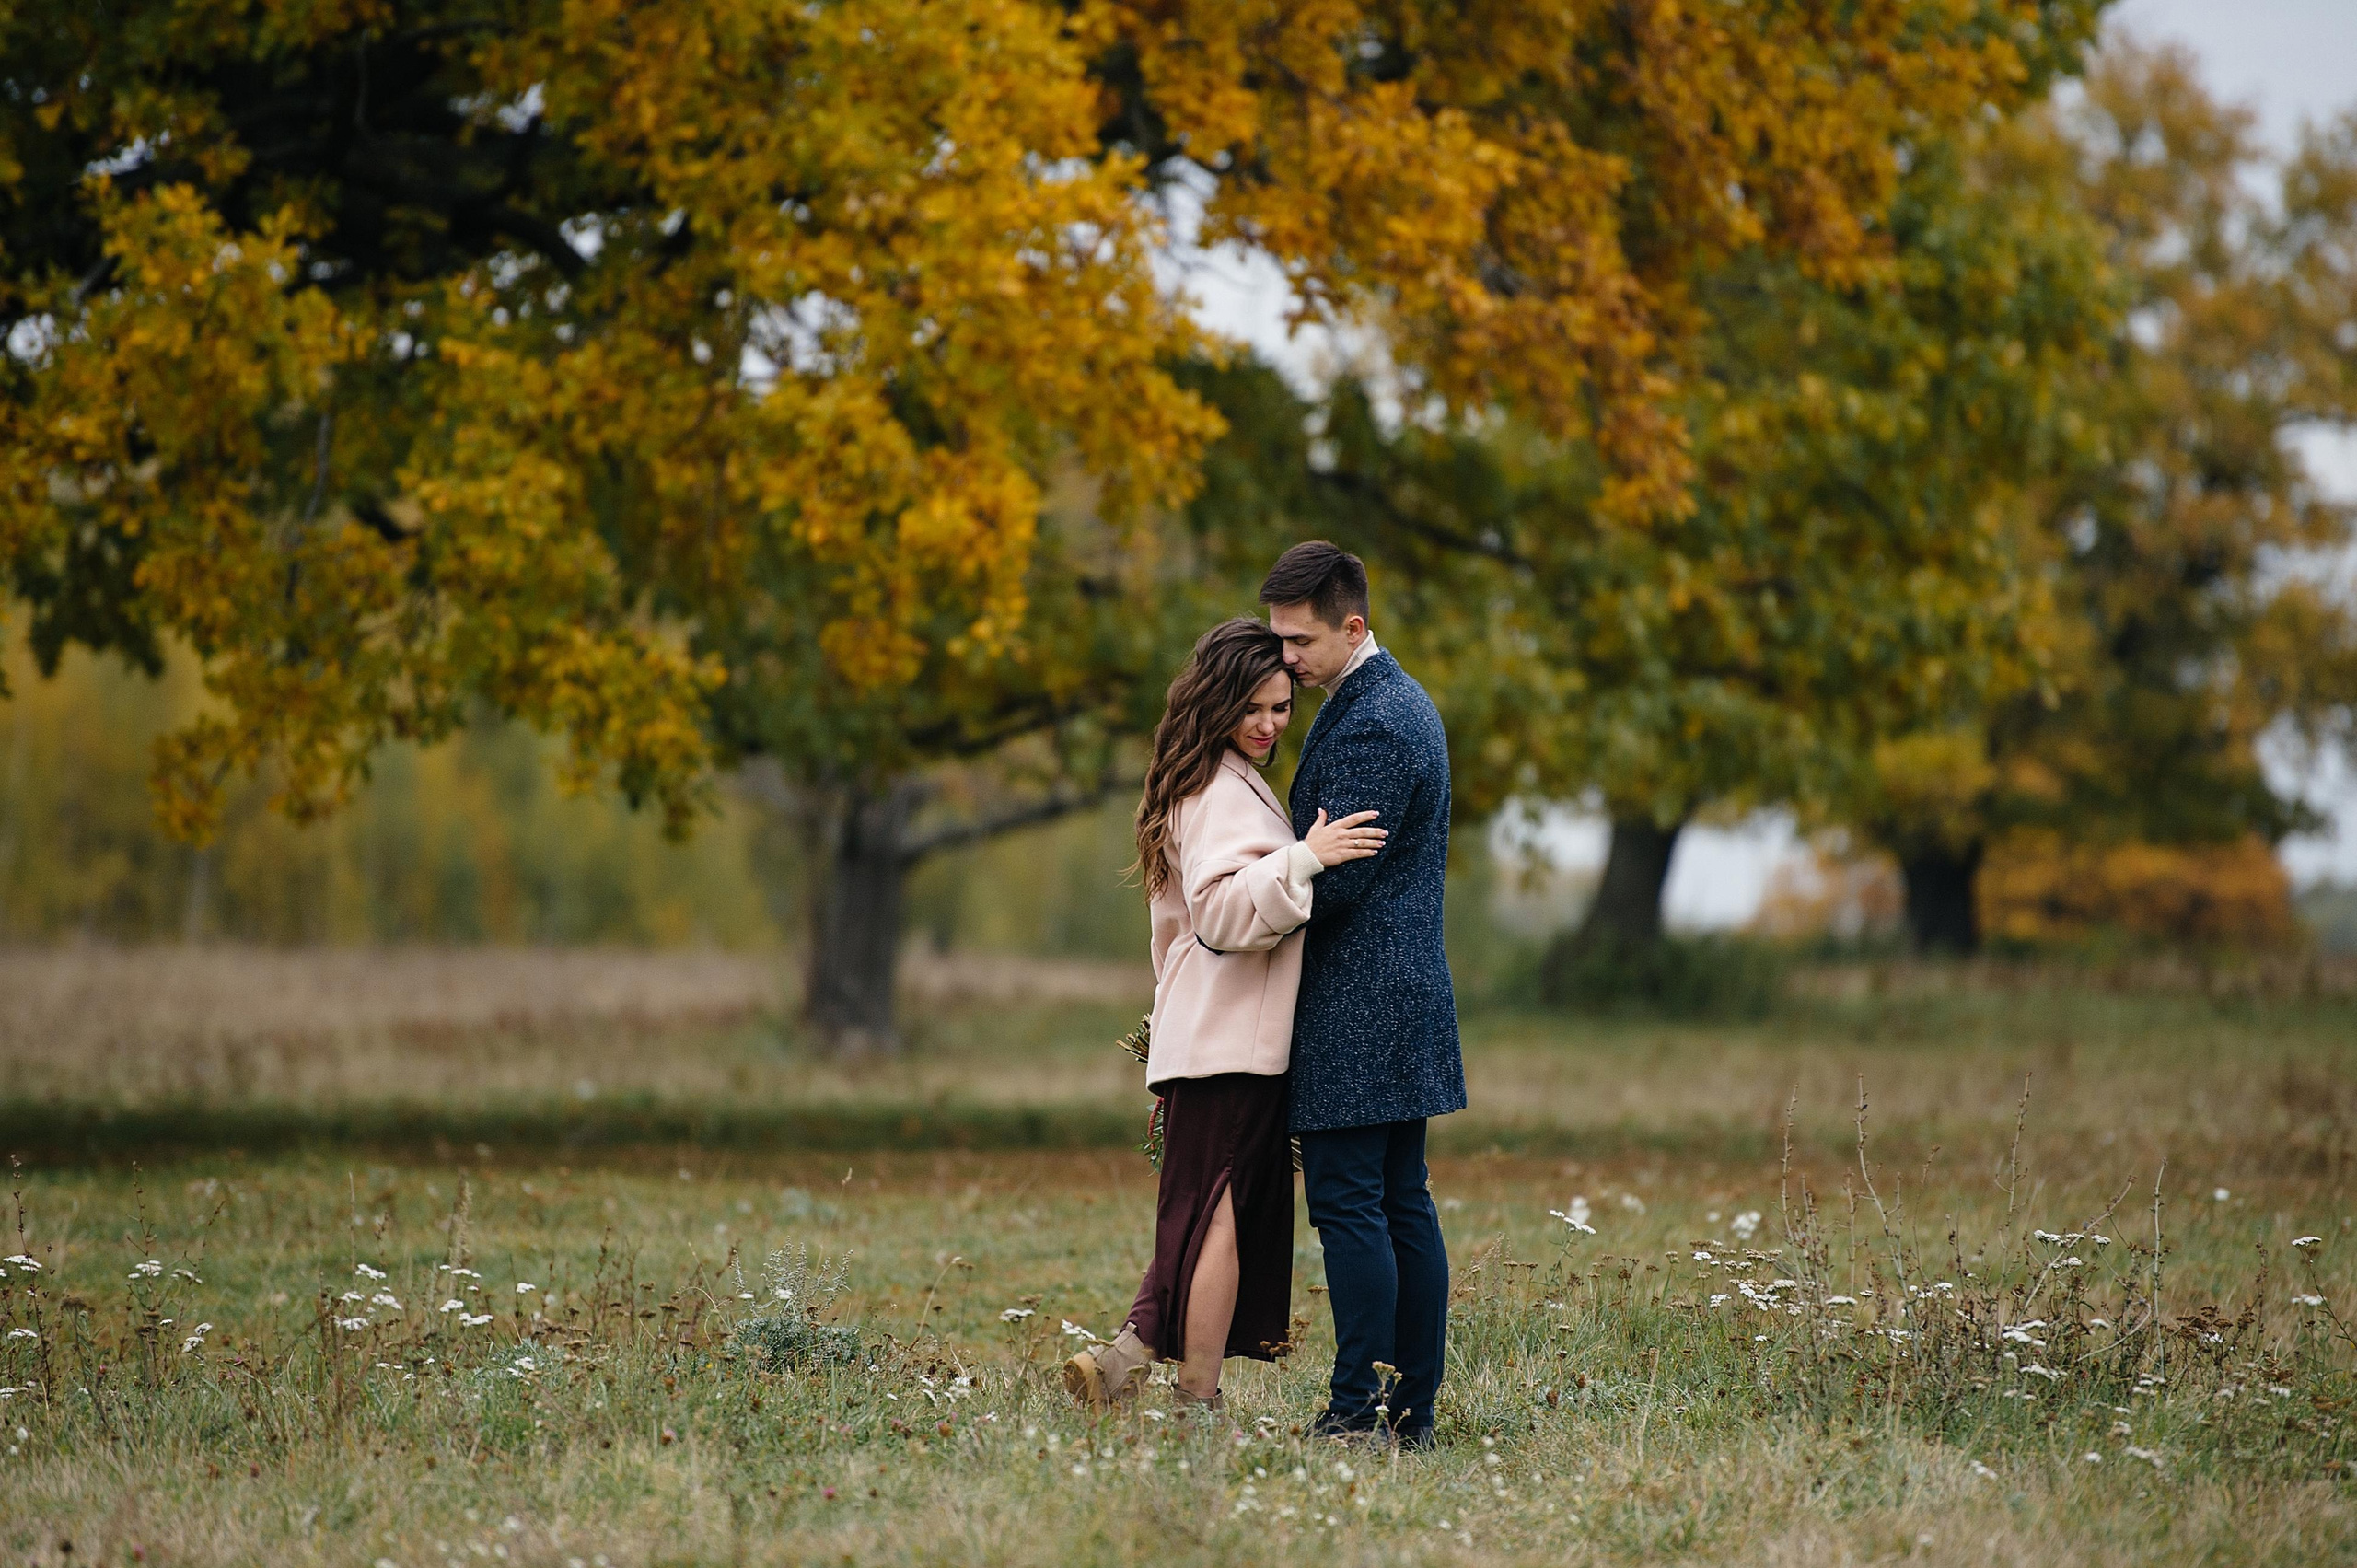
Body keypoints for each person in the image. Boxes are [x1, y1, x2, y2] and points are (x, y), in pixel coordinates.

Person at [1063, 617, 1387, 1414]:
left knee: (1203, 1212)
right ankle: (1193, 1401)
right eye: (1255, 707)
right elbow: (1218, 914)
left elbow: (1173, 932)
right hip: (1232, 1044)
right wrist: (1307, 857)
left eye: (1282, 707)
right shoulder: (1216, 788)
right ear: (1216, 700)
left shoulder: (1205, 776)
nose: (1271, 724)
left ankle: (1122, 1361)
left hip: (1205, 1036)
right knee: (1224, 1223)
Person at [1263, 540, 1464, 1448]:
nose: (1285, 659)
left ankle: (1363, 1410)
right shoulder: (1388, 701)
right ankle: (1404, 1413)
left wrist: (1263, 868)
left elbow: (1336, 876)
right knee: (1396, 1199)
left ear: (1352, 626)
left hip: (1361, 998)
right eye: (1277, 638)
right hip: (1396, 991)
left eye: (1300, 641)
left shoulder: (1377, 721)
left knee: (1358, 1203)